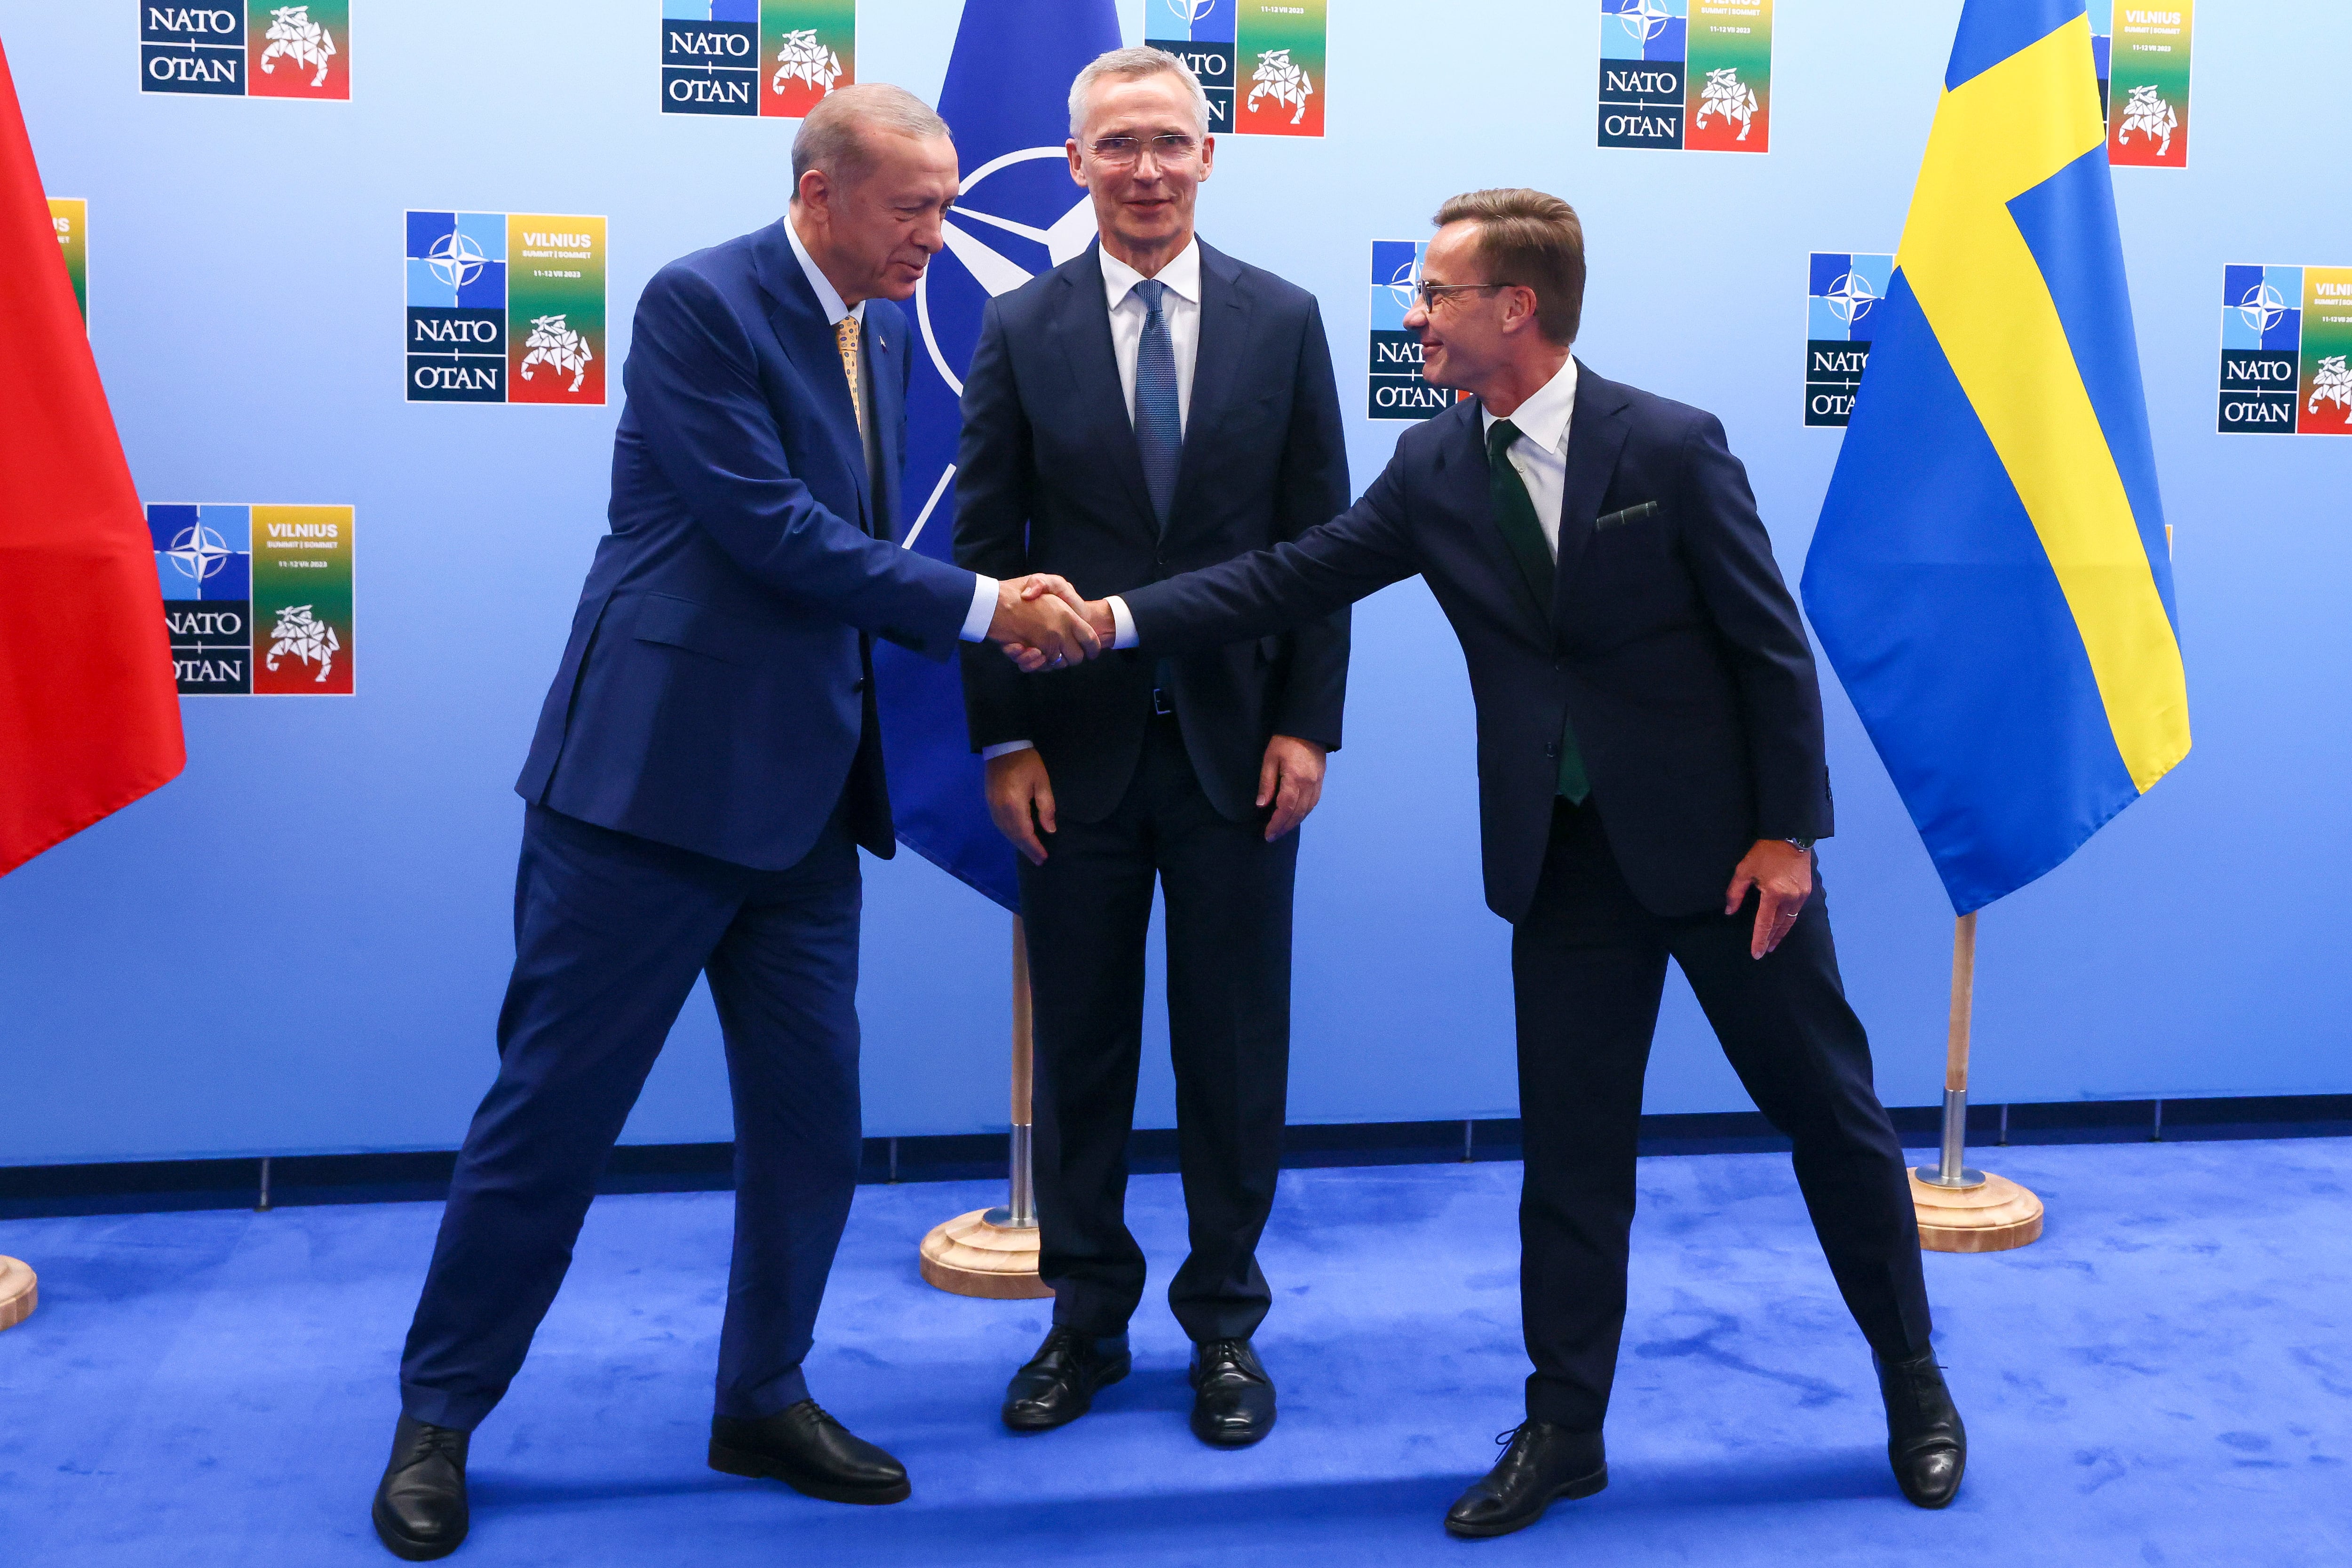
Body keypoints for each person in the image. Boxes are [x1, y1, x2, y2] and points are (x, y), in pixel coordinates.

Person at [1015, 188, 1966, 1536]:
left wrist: (1787, 834)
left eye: (1435, 295)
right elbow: (1287, 577)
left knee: (1833, 1119)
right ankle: (1565, 1429)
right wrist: (1112, 621)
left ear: (1514, 308)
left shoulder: (1673, 445)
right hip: (1561, 867)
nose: (1414, 318)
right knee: (1572, 1163)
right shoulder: (1435, 467)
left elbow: (1770, 652)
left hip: (1726, 864)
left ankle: (1914, 1381)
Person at [369, 85, 1099, 1562]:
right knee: (551, 1123)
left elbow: (859, 543)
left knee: (810, 1130)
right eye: (914, 208)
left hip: (809, 808)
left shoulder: (889, 323)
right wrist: (984, 609)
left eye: (951, 204)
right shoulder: (699, 302)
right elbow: (771, 529)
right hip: (645, 795)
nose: (938, 238)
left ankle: (760, 1397)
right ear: (821, 193)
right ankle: (438, 1418)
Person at [953, 46, 1350, 1450]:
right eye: (1116, 144)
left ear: (1208, 155)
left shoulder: (1287, 320)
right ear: (1075, 164)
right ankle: (1087, 1323)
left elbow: (1323, 550)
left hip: (1244, 757)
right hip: (1074, 762)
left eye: (1170, 142)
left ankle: (1226, 1330)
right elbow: (984, 554)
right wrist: (1000, 738)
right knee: (1085, 1055)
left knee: (1237, 1055)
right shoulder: (1018, 326)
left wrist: (1310, 721)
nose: (1144, 168)